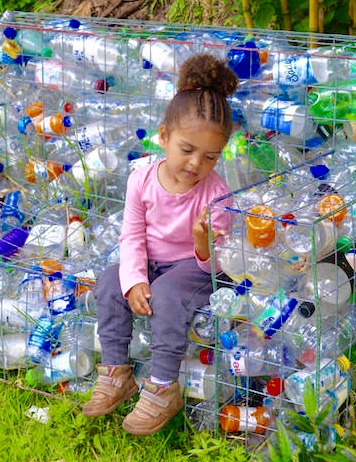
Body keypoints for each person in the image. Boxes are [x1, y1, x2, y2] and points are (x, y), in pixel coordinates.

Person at [81, 53, 239, 436]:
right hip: (155, 261)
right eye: (187, 149)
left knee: (167, 294)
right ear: (164, 136)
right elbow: (132, 235)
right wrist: (134, 279)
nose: (196, 164)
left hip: (195, 268)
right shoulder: (141, 179)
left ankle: (164, 386)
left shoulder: (217, 194)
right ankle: (117, 373)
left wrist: (203, 243)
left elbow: (218, 265)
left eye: (211, 157)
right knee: (109, 281)